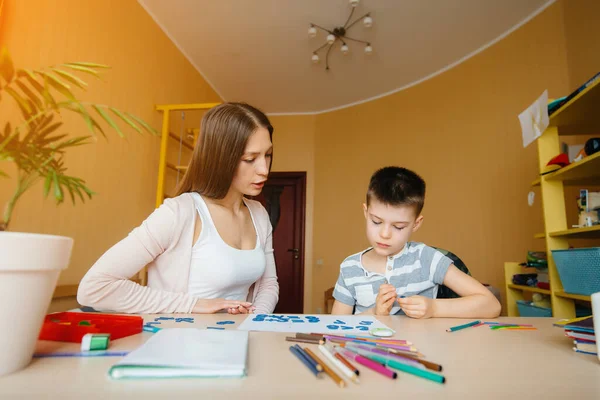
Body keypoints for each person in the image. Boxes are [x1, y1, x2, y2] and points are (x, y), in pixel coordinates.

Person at [77, 102, 279, 315]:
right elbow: (95, 287)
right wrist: (197, 304)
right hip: (179, 341)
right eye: (250, 159)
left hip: (238, 340)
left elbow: (268, 285)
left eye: (267, 155)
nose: (264, 170)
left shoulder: (258, 214)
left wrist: (255, 320)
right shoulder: (179, 213)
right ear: (221, 159)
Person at [331, 166, 501, 318]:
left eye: (398, 226)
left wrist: (434, 308)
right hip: (367, 352)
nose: (384, 234)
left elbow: (491, 305)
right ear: (366, 213)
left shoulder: (427, 258)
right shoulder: (350, 268)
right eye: (376, 221)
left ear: (416, 224)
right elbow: (335, 326)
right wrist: (374, 313)